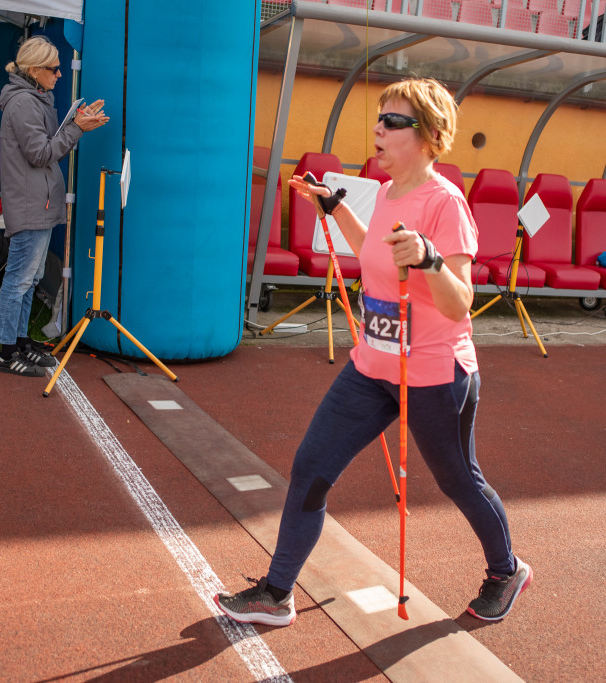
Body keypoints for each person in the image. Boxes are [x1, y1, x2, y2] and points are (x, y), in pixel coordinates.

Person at [214, 78, 531, 626]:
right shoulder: (386, 193)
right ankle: (277, 592)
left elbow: (460, 304)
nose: (378, 129)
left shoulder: (445, 203)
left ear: (429, 135)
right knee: (311, 466)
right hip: (373, 365)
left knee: (458, 479)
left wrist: (431, 259)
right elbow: (376, 254)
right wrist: (337, 208)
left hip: (435, 373)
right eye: (379, 118)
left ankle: (506, 570)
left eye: (392, 122)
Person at [0, 35, 108, 376]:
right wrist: (76, 129)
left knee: (30, 277)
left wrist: (74, 124)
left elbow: (44, 144)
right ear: (34, 70)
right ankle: (6, 352)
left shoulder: (33, 98)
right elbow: (40, 153)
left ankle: (20, 340)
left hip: (36, 200)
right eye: (54, 69)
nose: (59, 74)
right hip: (30, 203)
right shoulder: (24, 103)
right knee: (20, 278)